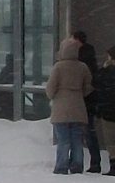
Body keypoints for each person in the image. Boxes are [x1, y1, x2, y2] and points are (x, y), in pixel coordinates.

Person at [46, 37, 94, 174]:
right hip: (78, 106)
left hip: (61, 108)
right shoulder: (82, 67)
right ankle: (77, 166)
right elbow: (88, 86)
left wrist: (54, 95)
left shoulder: (59, 67)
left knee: (63, 140)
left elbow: (50, 88)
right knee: (77, 140)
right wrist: (78, 94)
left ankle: (61, 166)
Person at [72, 30, 102, 172]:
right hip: (90, 101)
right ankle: (95, 162)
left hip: (83, 101)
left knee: (82, 132)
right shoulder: (90, 57)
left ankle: (84, 162)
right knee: (89, 131)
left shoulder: (80, 60)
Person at [93, 45, 115, 175]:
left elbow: (97, 83)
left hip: (108, 112)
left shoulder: (105, 73)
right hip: (108, 109)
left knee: (111, 142)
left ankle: (113, 166)